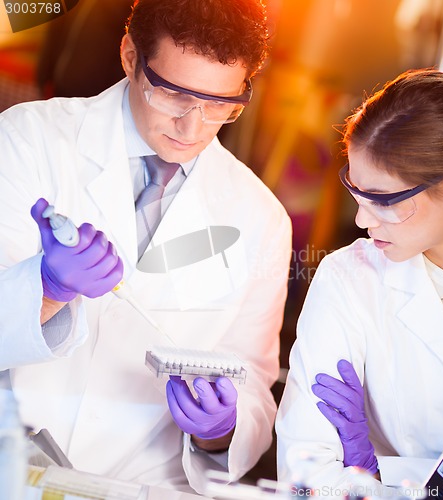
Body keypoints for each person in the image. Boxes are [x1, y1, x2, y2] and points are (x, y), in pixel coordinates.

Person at [0, 0, 292, 494]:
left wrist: (220, 432)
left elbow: (255, 390)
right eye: (173, 95)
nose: (192, 127)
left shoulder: (261, 218)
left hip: (140, 487)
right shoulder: (28, 139)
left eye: (221, 105)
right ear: (131, 57)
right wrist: (46, 290)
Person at [275, 68, 443, 494]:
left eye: (384, 200)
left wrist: (382, 475)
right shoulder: (349, 280)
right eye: (356, 192)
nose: (361, 220)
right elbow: (305, 478)